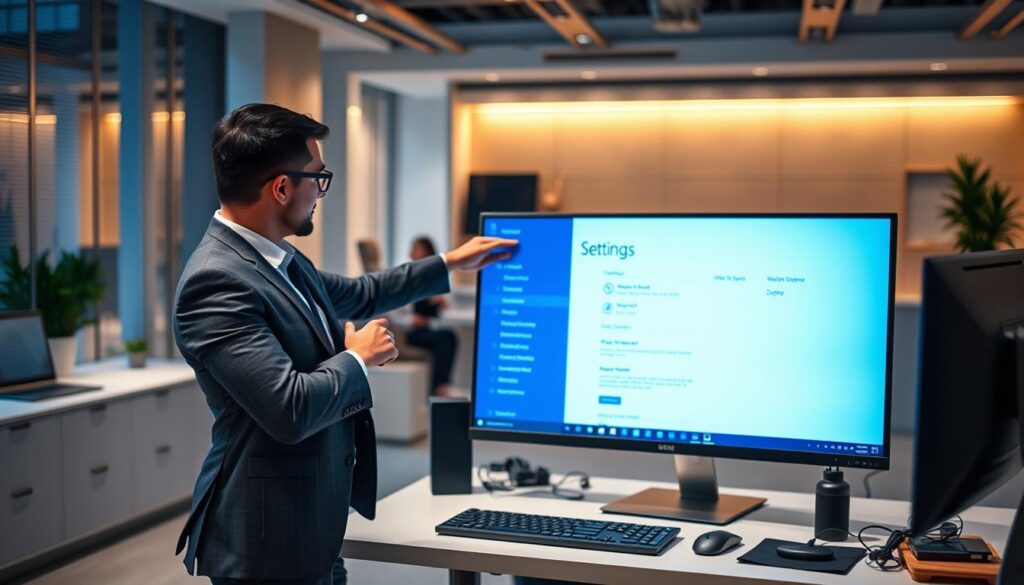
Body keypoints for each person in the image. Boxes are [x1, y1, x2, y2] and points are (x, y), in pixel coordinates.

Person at [172, 103, 517, 585]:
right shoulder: (217, 280)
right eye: (319, 177)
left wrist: (450, 262)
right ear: (281, 187)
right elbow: (288, 408)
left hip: (310, 525)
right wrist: (359, 357)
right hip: (267, 541)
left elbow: (362, 293)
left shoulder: (280, 259)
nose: (320, 191)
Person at [405, 236, 458, 396]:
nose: (412, 252)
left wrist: (441, 302)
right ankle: (439, 386)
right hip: (410, 332)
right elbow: (396, 315)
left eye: (416, 248)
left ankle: (442, 383)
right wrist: (413, 320)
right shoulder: (406, 277)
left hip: (427, 328)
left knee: (450, 336)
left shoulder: (433, 278)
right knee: (443, 339)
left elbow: (445, 310)